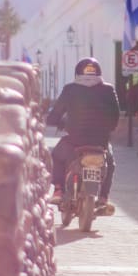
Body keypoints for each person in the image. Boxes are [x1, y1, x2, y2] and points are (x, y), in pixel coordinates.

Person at [47, 57, 122, 215]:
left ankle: (59, 190)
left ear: (77, 73)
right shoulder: (108, 89)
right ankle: (103, 198)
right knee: (110, 163)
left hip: (75, 140)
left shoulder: (70, 89)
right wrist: (108, 129)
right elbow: (116, 115)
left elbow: (54, 115)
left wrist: (56, 121)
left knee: (57, 156)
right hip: (100, 141)